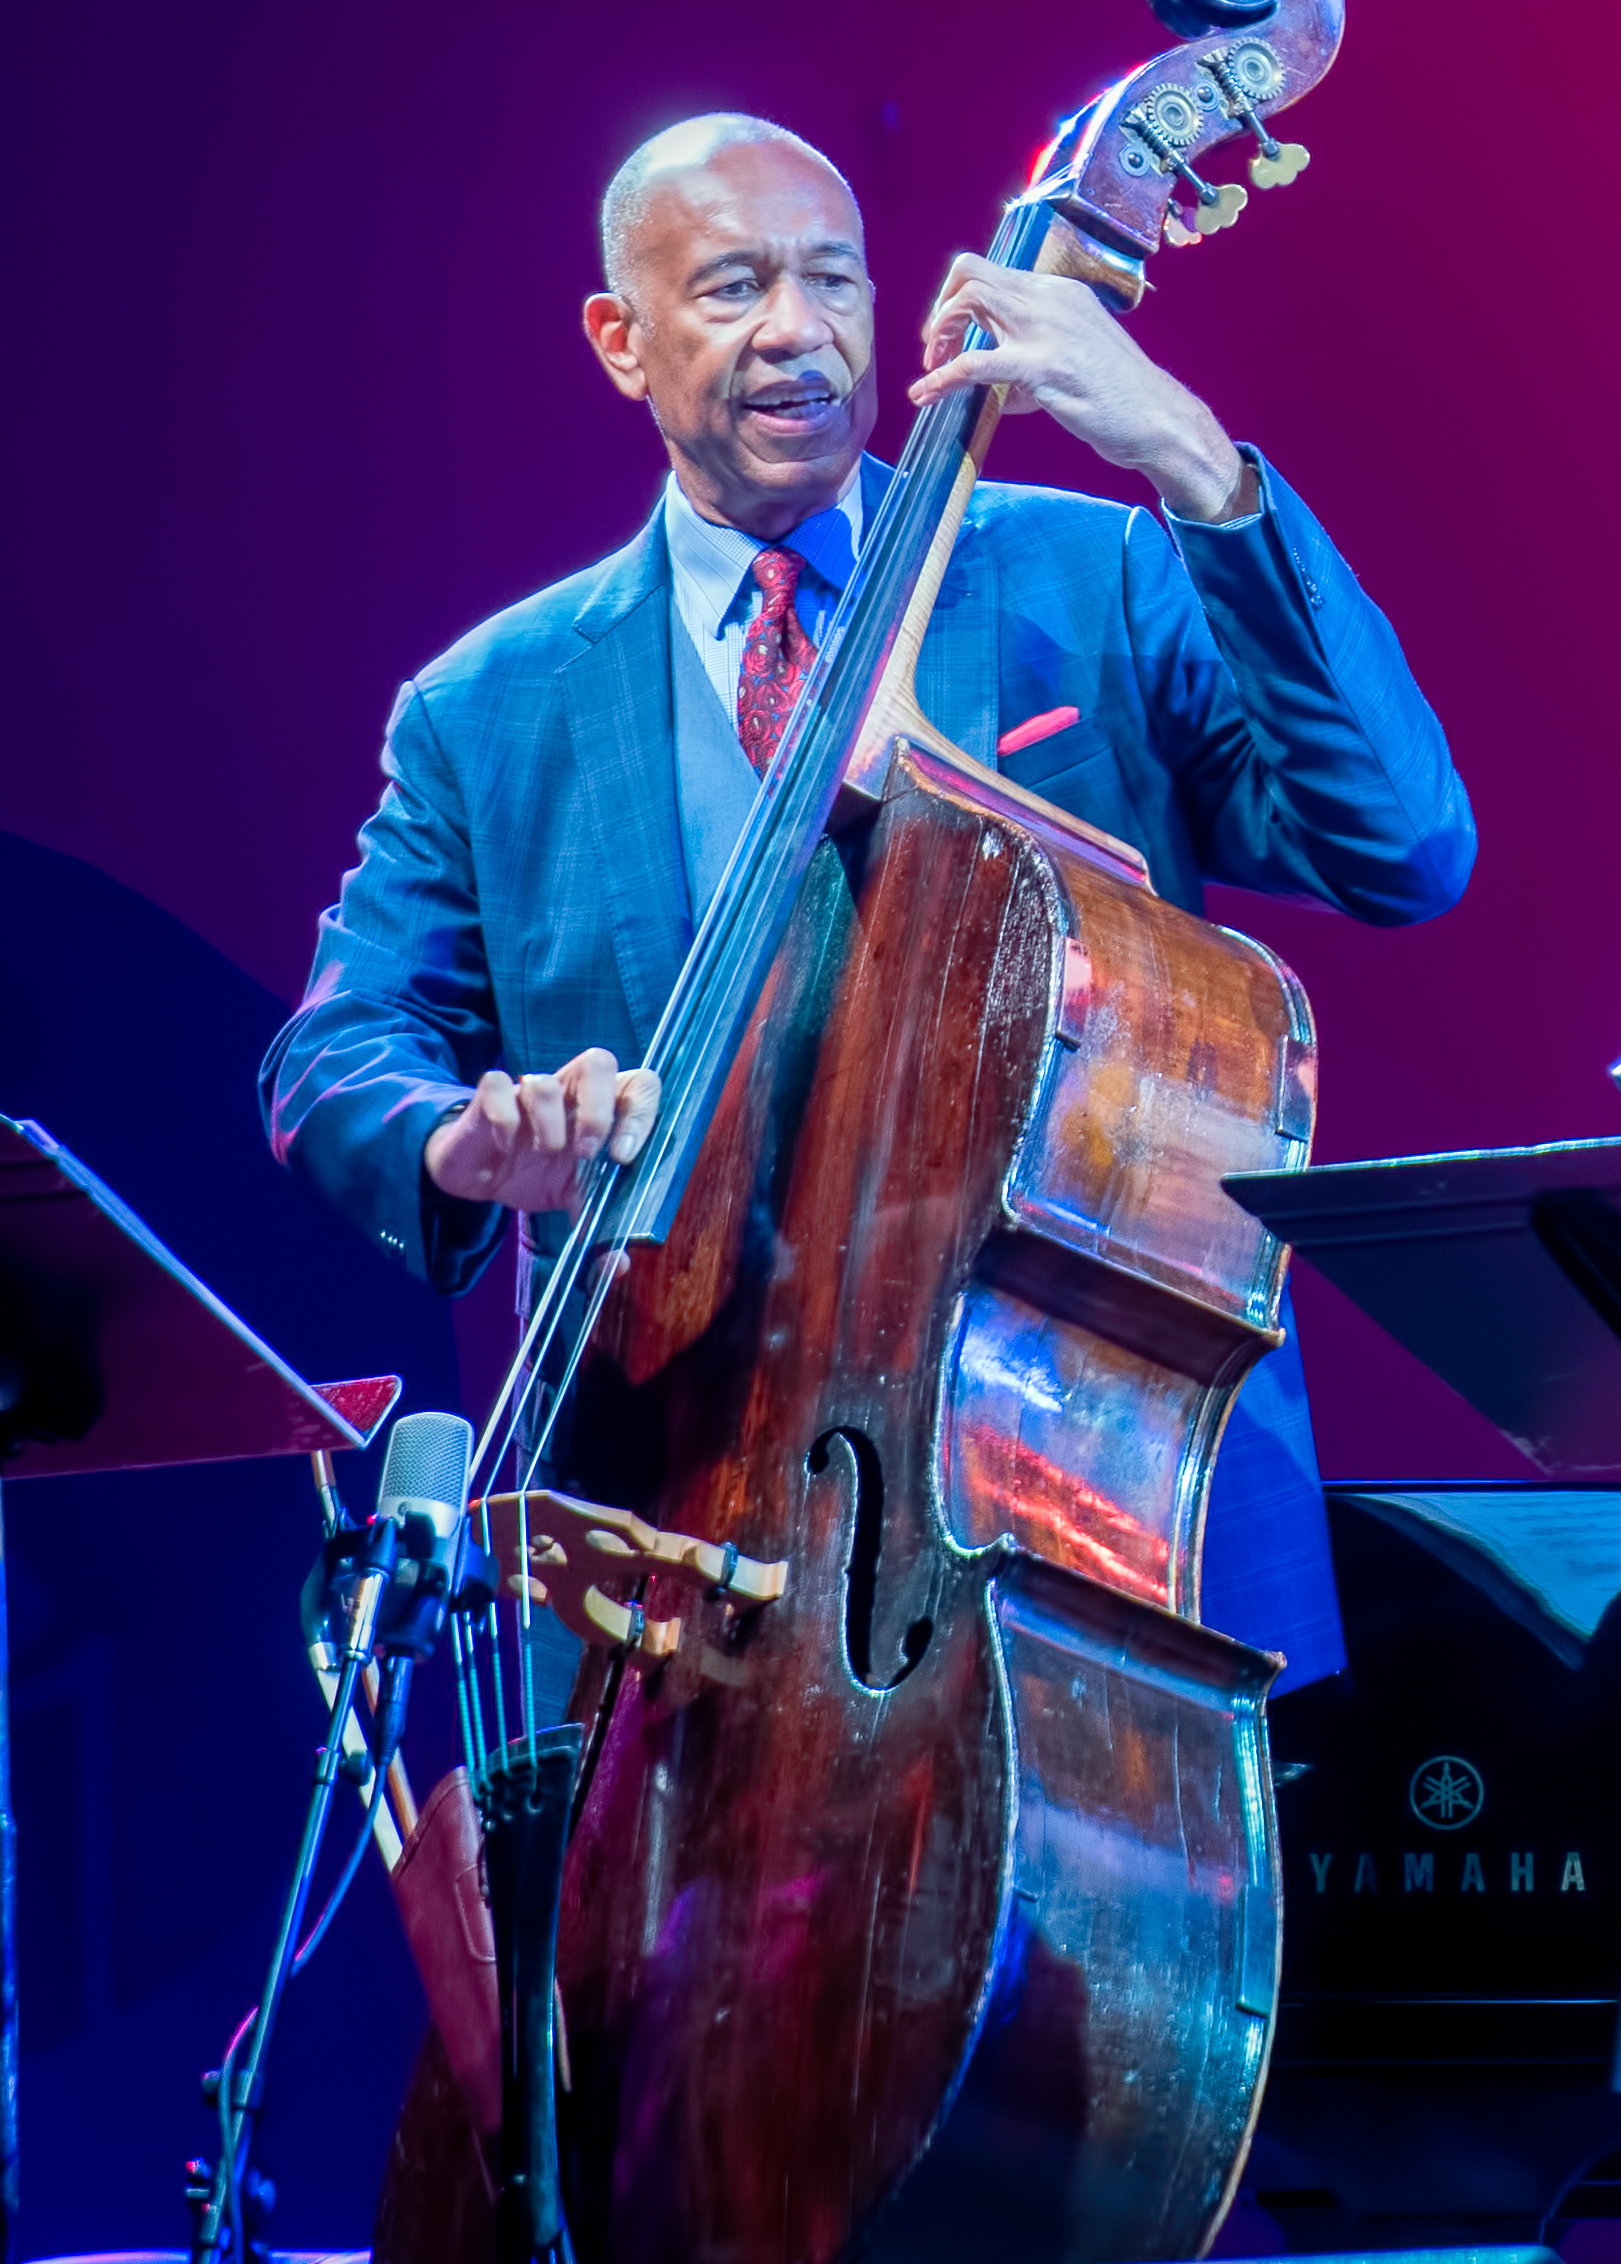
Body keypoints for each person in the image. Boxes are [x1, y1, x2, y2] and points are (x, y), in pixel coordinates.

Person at [260, 111, 1475, 1683]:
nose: (796, 330)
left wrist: (1191, 455)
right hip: (681, 1556)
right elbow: (334, 1051)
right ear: (618, 339)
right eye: (732, 287)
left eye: (832, 280)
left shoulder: (1087, 578)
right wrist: (458, 1137)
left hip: (1099, 1527)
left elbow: (1400, 845)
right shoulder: (487, 709)